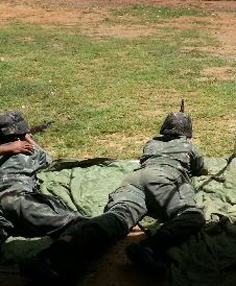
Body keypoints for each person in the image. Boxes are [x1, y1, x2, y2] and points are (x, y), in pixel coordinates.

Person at [24, 108, 209, 282]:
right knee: (192, 216)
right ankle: (150, 248)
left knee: (115, 218)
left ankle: (52, 257)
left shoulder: (151, 143)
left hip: (134, 180)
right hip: (164, 179)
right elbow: (201, 169)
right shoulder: (187, 146)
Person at [0, 111, 85, 255]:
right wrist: (29, 141)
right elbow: (47, 159)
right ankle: (54, 257)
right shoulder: (28, 151)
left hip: (9, 205)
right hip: (14, 200)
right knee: (75, 224)